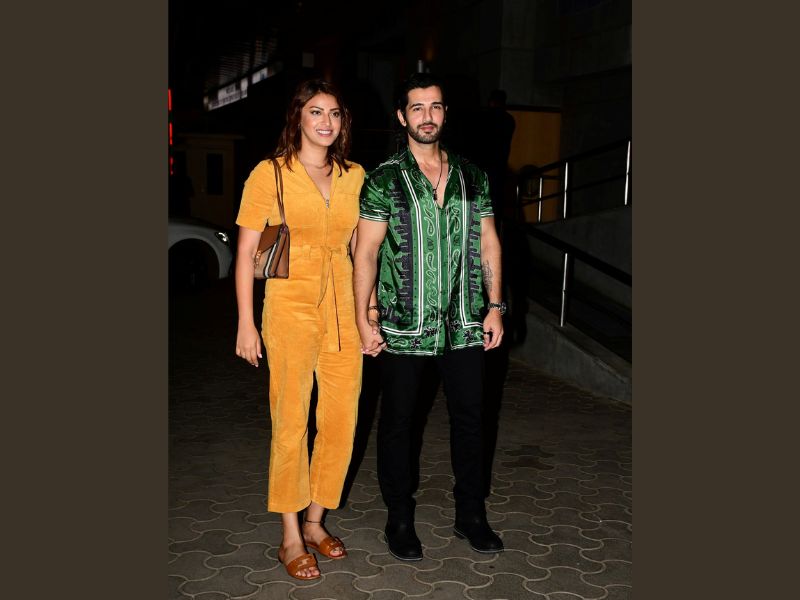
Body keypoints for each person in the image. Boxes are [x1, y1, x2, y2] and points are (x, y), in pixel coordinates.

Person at [352, 72, 506, 561]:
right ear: (402, 117)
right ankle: (399, 518)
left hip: (464, 322)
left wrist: (495, 306)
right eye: (417, 108)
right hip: (404, 324)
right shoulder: (383, 179)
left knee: (472, 420)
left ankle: (471, 515)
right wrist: (363, 317)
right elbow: (366, 253)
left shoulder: (472, 176)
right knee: (399, 422)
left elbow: (488, 241)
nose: (427, 116)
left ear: (445, 113)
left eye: (435, 106)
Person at [234, 79, 365, 580]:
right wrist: (246, 323)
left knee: (341, 420)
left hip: (344, 310)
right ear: (298, 118)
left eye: (334, 113)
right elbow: (246, 253)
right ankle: (289, 536)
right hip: (289, 307)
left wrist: (369, 311)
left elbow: (363, 251)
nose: (326, 121)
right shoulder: (270, 173)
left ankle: (315, 521)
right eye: (316, 112)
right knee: (291, 421)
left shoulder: (355, 176)